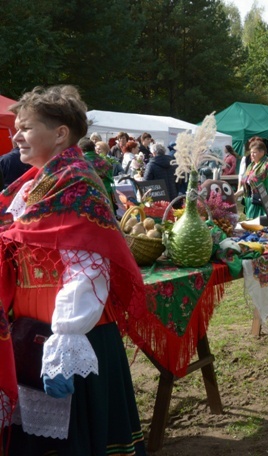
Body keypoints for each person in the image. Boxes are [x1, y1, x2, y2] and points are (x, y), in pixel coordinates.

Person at [0, 85, 146, 454]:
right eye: (16, 128)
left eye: (27, 127)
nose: (15, 136)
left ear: (60, 133)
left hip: (72, 336)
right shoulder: (32, 185)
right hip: (32, 336)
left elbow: (88, 271)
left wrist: (66, 338)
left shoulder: (77, 185)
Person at [236, 139, 268, 219]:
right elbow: (247, 183)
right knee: (250, 226)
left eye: (254, 152)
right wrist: (236, 195)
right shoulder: (251, 165)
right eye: (251, 152)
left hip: (261, 202)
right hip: (249, 201)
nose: (252, 155)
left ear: (262, 152)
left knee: (260, 226)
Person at [79, 138, 115, 210]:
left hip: (89, 197)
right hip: (106, 194)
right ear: (93, 149)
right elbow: (110, 174)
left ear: (81, 150)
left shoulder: (81, 162)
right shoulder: (104, 161)